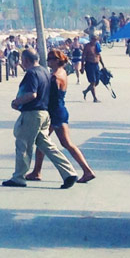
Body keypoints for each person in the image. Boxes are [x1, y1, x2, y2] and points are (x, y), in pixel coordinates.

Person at [3, 49, 78, 188]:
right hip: (44, 113)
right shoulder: (44, 71)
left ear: (25, 60)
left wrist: (17, 102)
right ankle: (69, 172)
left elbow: (32, 94)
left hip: (32, 113)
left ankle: (18, 177)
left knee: (23, 145)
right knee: (47, 145)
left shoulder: (32, 73)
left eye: (22, 60)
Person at [27, 50, 96, 183]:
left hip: (55, 112)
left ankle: (37, 172)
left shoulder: (55, 77)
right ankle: (37, 171)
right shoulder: (62, 72)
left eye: (51, 59)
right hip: (60, 110)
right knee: (52, 142)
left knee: (46, 141)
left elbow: (47, 93)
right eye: (48, 59)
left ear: (58, 60)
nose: (48, 61)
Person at [80, 34, 105, 103]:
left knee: (96, 82)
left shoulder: (97, 46)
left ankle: (85, 91)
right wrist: (82, 67)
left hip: (96, 65)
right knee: (93, 82)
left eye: (96, 39)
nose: (95, 41)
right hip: (89, 65)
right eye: (93, 39)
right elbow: (83, 57)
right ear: (91, 39)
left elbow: (99, 55)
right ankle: (95, 98)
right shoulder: (87, 46)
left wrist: (103, 65)